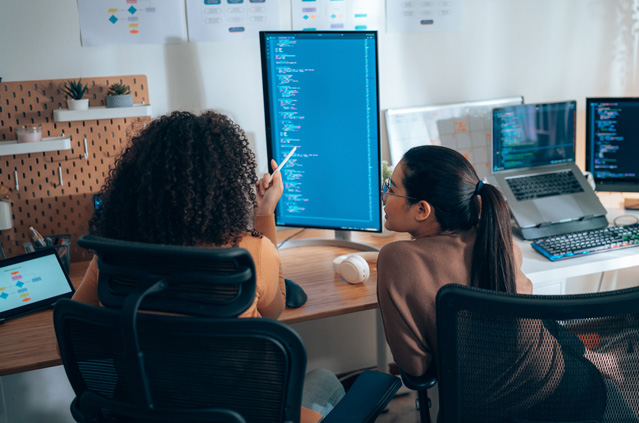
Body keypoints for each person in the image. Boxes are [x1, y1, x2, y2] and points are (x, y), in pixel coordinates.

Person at [72, 110, 342, 423]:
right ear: (225, 185)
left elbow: (78, 332)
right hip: (237, 415)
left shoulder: (113, 258)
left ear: (140, 181)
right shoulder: (248, 253)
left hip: (147, 414)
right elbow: (274, 312)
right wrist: (264, 214)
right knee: (325, 381)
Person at [377, 145, 611, 421]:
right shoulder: (499, 241)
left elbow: (416, 369)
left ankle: (604, 362)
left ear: (422, 209)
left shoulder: (396, 258)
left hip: (483, 412)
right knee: (547, 327)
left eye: (391, 188)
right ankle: (606, 363)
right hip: (572, 396)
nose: (383, 195)